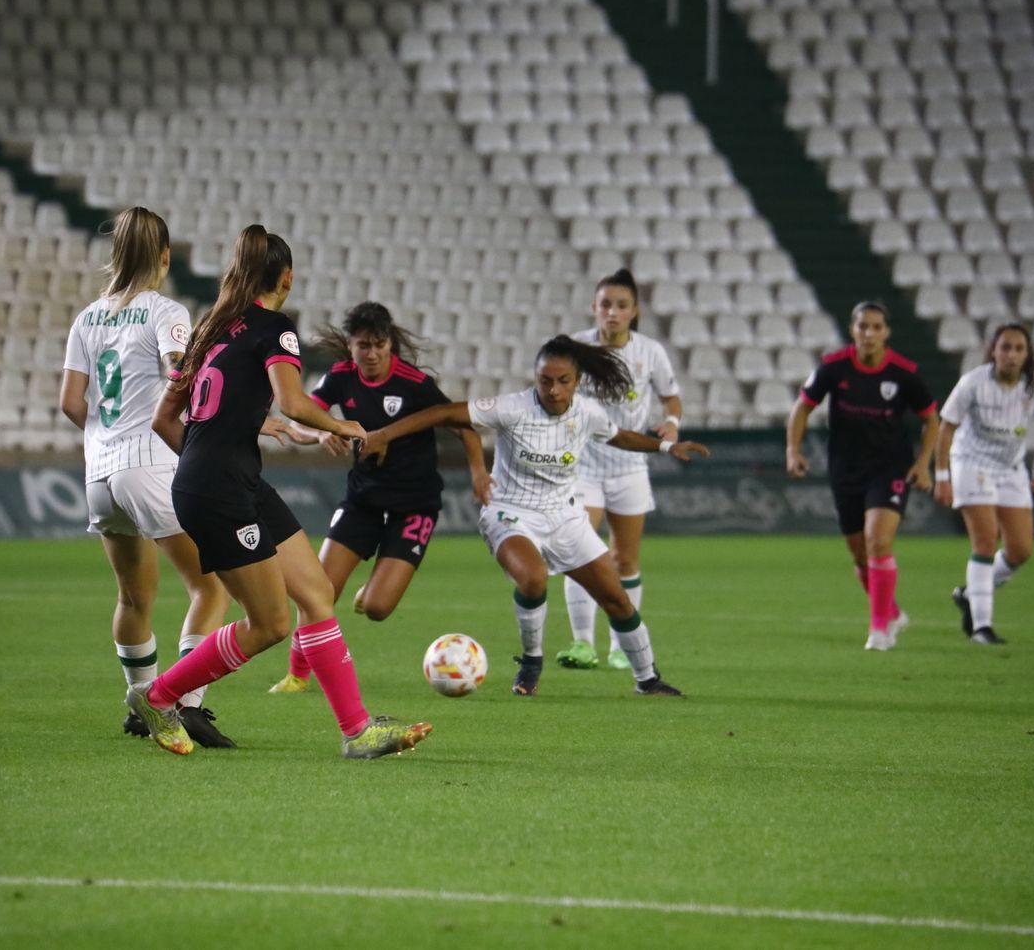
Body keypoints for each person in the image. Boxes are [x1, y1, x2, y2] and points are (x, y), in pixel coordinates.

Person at [125, 224, 432, 760]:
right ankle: (157, 696)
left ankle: (357, 731)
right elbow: (292, 402)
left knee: (315, 594)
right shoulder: (274, 327)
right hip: (222, 486)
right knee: (269, 624)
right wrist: (345, 427)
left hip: (226, 480)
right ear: (286, 276)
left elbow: (163, 420)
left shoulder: (211, 329)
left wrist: (209, 456)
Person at [359, 335, 709, 698]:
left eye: (563, 381)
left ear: (577, 381)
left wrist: (667, 446)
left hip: (564, 517)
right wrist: (384, 434)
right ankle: (532, 659)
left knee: (617, 600)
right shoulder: (512, 408)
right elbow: (446, 413)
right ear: (535, 378)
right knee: (533, 578)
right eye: (545, 380)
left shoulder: (588, 414)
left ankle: (648, 680)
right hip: (510, 512)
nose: (554, 390)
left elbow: (619, 437)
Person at [60, 206, 258, 747]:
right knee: (209, 583)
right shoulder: (164, 311)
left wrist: (105, 436)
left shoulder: (87, 318)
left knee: (132, 598)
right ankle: (184, 703)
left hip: (98, 474)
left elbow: (70, 403)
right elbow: (182, 375)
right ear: (166, 257)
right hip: (149, 465)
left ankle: (139, 703)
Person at [269, 302, 487, 694]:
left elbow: (463, 426)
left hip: (414, 504)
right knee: (316, 590)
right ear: (350, 347)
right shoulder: (340, 377)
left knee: (377, 609)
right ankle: (297, 676)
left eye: (378, 345)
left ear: (391, 345)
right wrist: (321, 433)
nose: (370, 354)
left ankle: (368, 594)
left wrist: (478, 472)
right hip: (363, 500)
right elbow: (301, 421)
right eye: (362, 346)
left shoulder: (413, 383)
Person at [785, 300, 939, 651]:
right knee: (860, 556)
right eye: (862, 327)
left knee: (877, 541)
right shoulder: (834, 368)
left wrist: (922, 463)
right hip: (846, 471)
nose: (869, 333)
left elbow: (932, 418)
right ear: (853, 329)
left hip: (889, 469)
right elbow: (802, 408)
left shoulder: (902, 372)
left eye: (876, 327)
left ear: (887, 332)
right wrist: (793, 450)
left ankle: (879, 630)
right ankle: (893, 612)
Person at [555, 268, 684, 672]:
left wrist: (672, 424)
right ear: (594, 308)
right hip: (582, 467)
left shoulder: (650, 352)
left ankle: (618, 646)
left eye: (621, 305)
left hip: (629, 467)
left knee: (625, 560)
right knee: (579, 550)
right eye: (605, 304)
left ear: (634, 311)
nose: (612, 312)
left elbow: (671, 397)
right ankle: (581, 644)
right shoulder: (574, 348)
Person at [933, 323, 1034, 645]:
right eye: (1005, 347)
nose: (1012, 355)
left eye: (1019, 348)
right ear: (993, 351)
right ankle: (981, 627)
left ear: (1027, 354)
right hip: (971, 463)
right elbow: (945, 428)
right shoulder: (973, 382)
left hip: (1010, 469)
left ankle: (969, 594)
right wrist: (943, 475)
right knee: (985, 541)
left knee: (1021, 549)